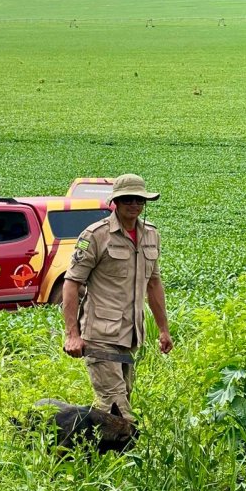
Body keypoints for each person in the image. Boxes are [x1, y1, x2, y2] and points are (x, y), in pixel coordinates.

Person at [62, 173, 173, 421]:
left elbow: (153, 284)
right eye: (127, 200)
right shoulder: (95, 236)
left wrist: (163, 329)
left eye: (139, 200)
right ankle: (122, 457)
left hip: (129, 335)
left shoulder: (151, 236)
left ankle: (86, 451)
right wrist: (72, 335)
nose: (134, 205)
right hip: (99, 335)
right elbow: (71, 283)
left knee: (116, 405)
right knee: (119, 413)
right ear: (115, 203)